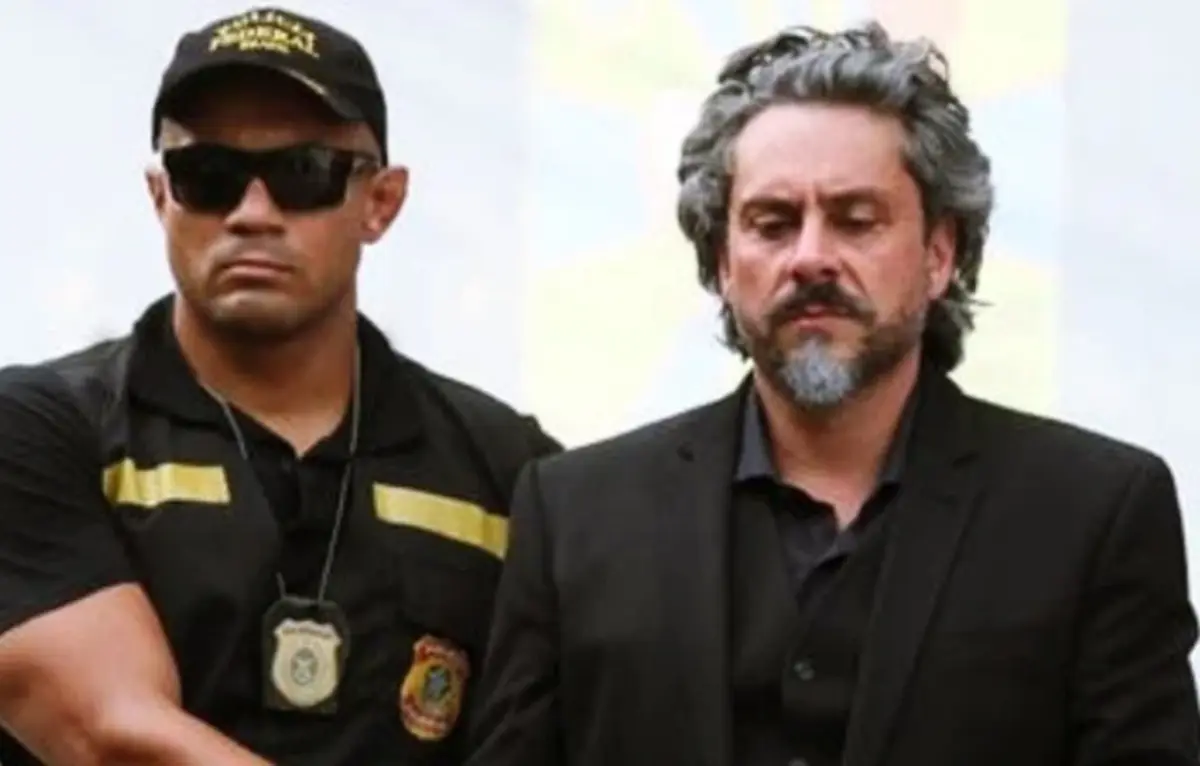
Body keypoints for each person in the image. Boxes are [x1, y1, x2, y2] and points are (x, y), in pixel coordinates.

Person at [466, 21, 1200, 766]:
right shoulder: (574, 516)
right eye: (772, 223)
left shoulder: (1092, 515)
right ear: (722, 262)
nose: (811, 258)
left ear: (939, 252)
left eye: (856, 221)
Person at [0, 7, 559, 765]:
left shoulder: (510, 471)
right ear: (161, 196)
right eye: (208, 176)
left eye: (304, 174)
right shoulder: (41, 430)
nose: (252, 214)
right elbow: (111, 735)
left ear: (382, 202)